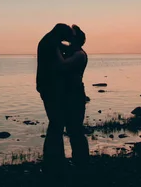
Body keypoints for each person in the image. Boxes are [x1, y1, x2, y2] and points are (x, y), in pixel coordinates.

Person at [36, 23, 89, 176]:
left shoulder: (78, 54)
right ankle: (62, 162)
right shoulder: (63, 47)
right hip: (63, 93)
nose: (68, 41)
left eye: (72, 38)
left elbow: (62, 65)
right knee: (64, 127)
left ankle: (77, 162)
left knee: (72, 128)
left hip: (73, 94)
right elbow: (57, 46)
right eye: (68, 37)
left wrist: (57, 48)